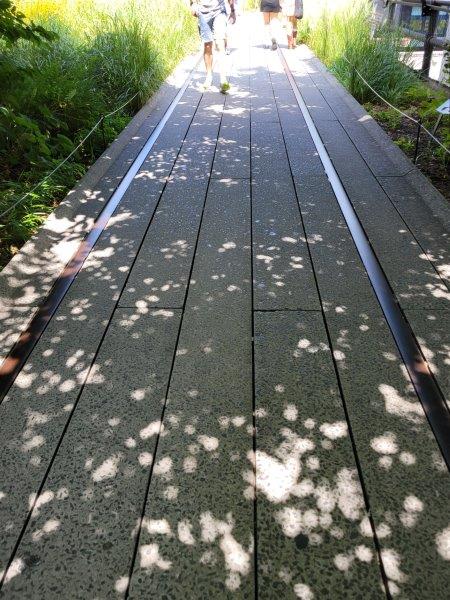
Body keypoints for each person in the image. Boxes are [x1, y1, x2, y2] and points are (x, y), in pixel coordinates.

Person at [190, 1, 236, 93]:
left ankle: (223, 79)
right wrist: (192, 4)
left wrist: (232, 10)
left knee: (220, 43)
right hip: (202, 12)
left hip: (219, 11)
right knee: (207, 45)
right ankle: (209, 76)